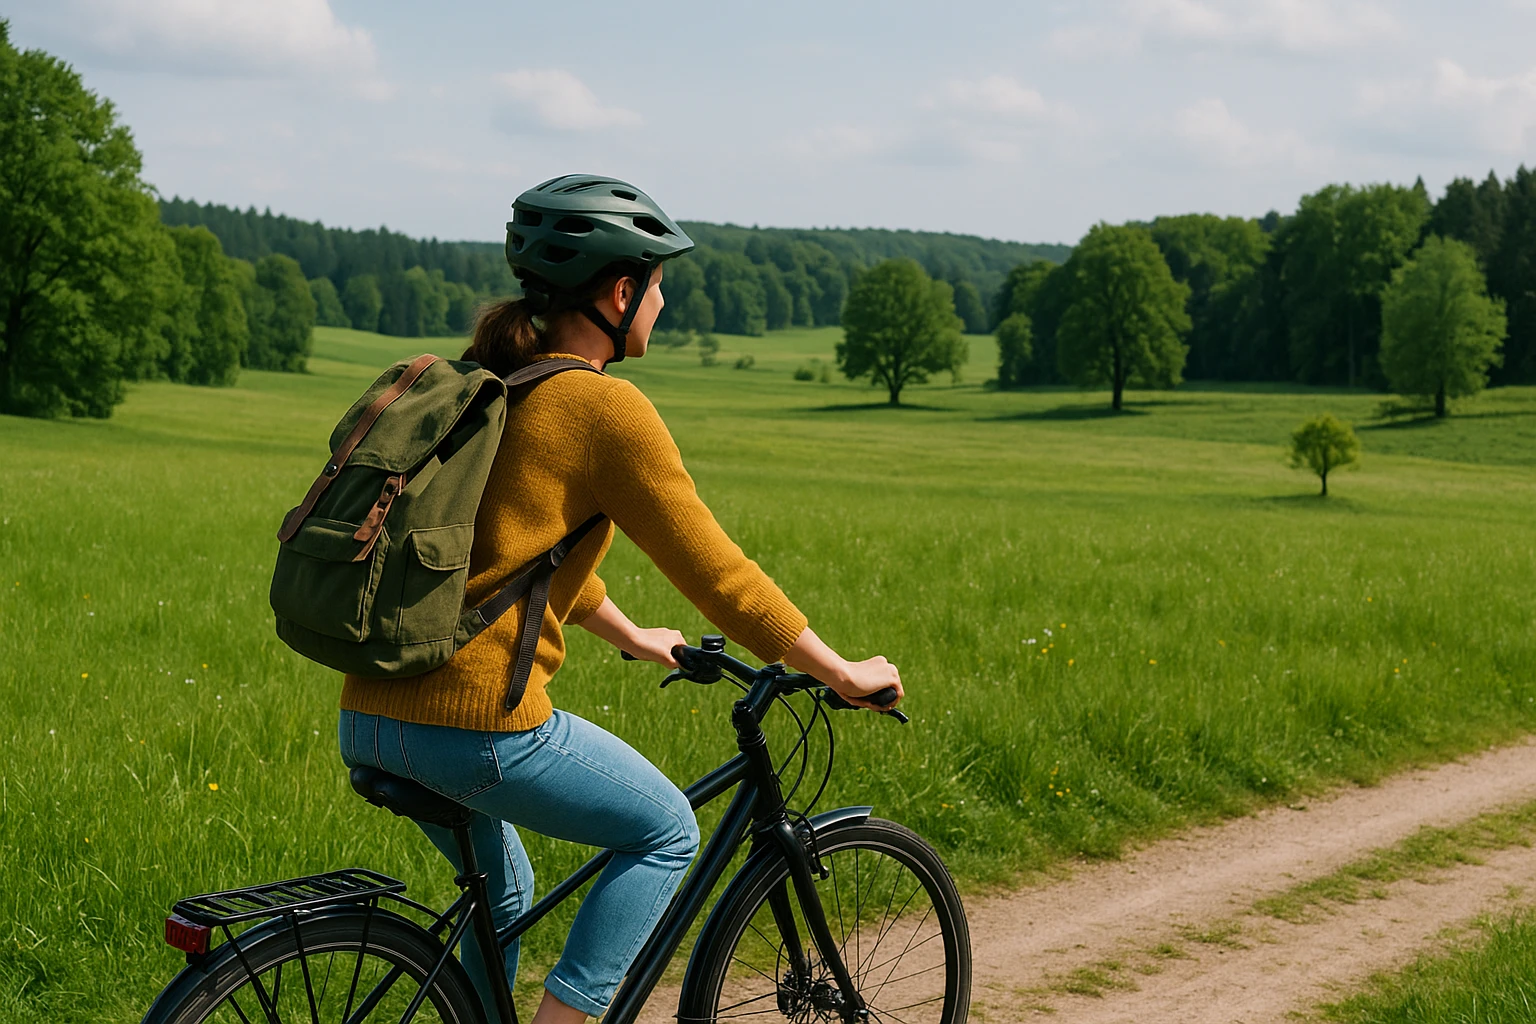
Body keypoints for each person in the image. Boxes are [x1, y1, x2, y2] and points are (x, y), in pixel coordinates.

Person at [337, 174, 902, 1024]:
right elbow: (721, 577)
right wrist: (840, 671)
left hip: (371, 713)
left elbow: (509, 554)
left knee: (510, 885)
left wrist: (632, 633)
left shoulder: (494, 383)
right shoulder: (603, 409)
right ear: (619, 291)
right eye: (658, 283)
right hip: (474, 728)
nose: (664, 302)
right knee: (667, 830)